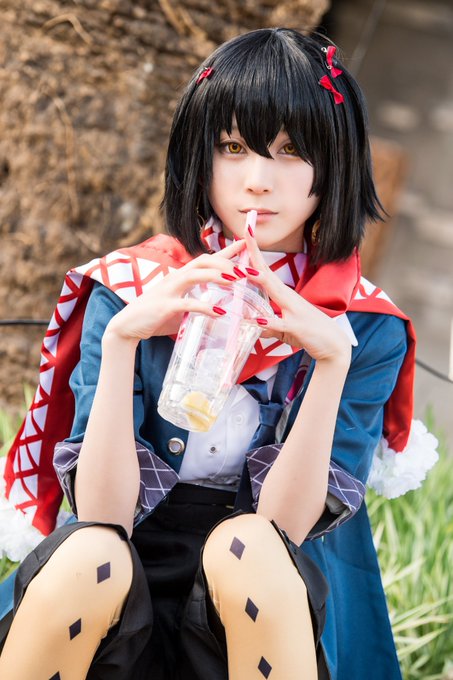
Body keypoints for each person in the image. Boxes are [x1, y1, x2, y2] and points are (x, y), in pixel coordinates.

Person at [0, 27, 438, 680]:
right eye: (233, 148)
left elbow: (285, 532)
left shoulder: (364, 327)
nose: (258, 181)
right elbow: (101, 515)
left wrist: (329, 366)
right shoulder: (131, 291)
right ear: (198, 155)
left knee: (249, 547)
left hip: (262, 599)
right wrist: (121, 343)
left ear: (334, 165)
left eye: (291, 151)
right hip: (121, 578)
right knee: (90, 554)